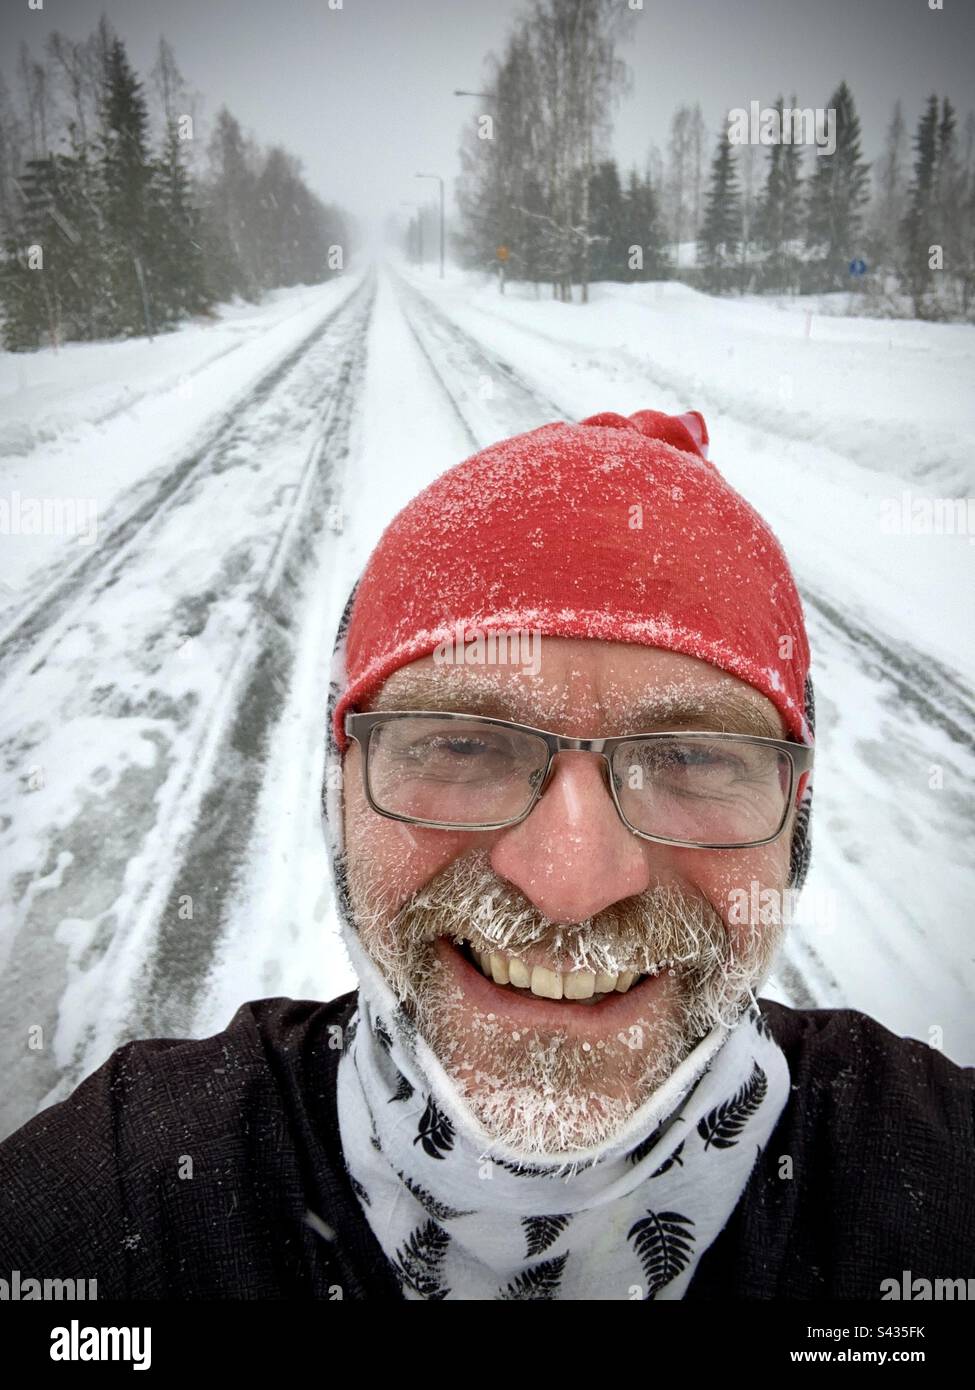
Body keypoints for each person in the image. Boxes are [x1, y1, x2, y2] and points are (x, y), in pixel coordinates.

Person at [0, 408, 971, 1301]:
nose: (571, 882)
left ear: (797, 818)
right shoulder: (126, 1198)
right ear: (338, 793)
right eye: (464, 743)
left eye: (688, 756)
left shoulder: (938, 1182)